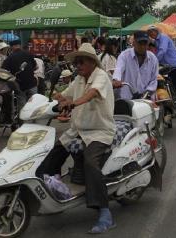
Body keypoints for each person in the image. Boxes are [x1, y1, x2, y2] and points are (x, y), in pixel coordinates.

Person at [36, 43, 116, 234]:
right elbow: (64, 96)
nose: (77, 65)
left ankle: (105, 212)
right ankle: (51, 193)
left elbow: (92, 94)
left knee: (91, 162)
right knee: (52, 155)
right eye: (76, 62)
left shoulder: (100, 76)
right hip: (78, 129)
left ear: (91, 62)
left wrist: (73, 103)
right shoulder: (79, 79)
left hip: (99, 131)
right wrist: (51, 97)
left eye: (81, 62)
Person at [147, 25, 176, 116]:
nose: (151, 34)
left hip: (175, 66)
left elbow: (162, 51)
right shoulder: (155, 41)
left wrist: (154, 61)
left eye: (152, 32)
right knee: (168, 87)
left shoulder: (163, 38)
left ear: (156, 31)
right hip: (166, 67)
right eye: (149, 33)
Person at [112, 31, 158, 99]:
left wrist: (147, 93)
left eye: (145, 43)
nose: (142, 47)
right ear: (134, 43)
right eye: (140, 43)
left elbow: (154, 80)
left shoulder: (153, 58)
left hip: (145, 98)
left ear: (148, 44)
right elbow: (118, 69)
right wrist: (116, 80)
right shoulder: (124, 55)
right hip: (127, 98)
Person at [2, 40, 37, 108]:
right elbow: (35, 66)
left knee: (22, 103)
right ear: (19, 45)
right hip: (31, 82)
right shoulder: (28, 53)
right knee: (34, 103)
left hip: (19, 84)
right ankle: (33, 118)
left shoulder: (10, 57)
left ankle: (23, 118)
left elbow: (4, 70)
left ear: (12, 47)